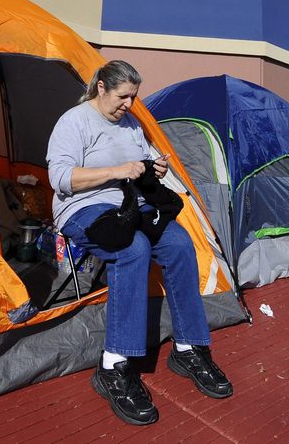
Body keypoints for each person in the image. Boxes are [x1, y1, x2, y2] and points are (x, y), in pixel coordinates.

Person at [47, 60, 232, 426]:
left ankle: (187, 348)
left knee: (180, 244)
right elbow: (61, 178)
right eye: (123, 96)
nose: (129, 104)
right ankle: (113, 365)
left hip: (130, 206)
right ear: (101, 87)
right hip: (83, 207)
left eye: (133, 97)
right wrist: (117, 171)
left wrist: (154, 167)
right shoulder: (75, 121)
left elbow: (141, 163)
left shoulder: (131, 124)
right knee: (134, 249)